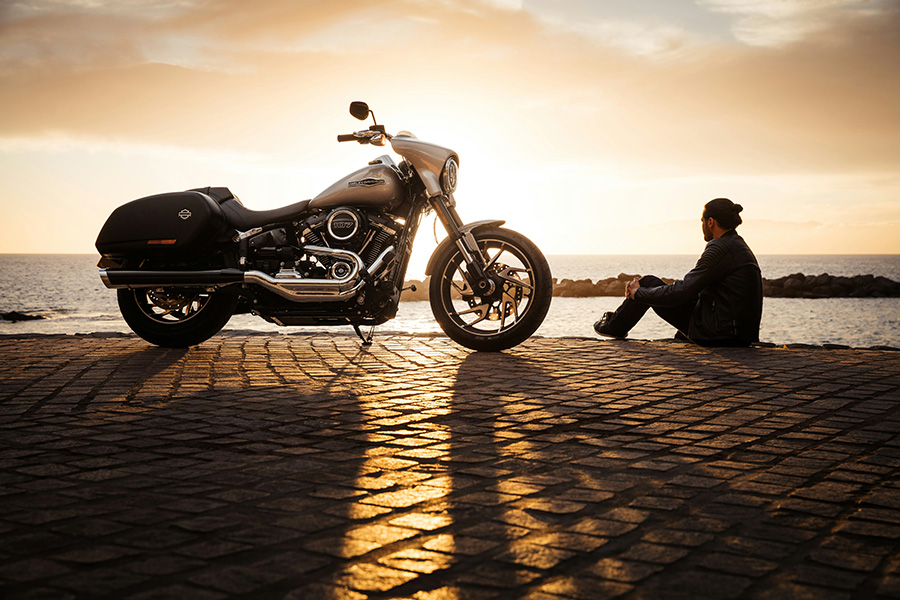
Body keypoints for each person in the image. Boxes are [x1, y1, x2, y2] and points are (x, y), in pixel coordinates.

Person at [594, 197, 763, 347]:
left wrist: (638, 293)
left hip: (720, 335)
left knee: (648, 283)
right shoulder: (737, 245)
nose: (702, 226)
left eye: (702, 221)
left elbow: (682, 292)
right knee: (673, 292)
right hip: (740, 334)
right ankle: (676, 333)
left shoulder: (719, 248)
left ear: (710, 222)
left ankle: (614, 327)